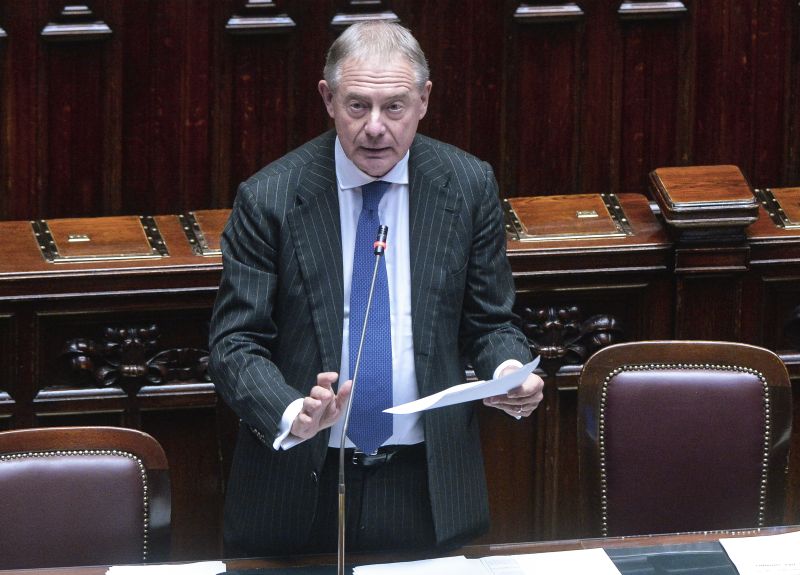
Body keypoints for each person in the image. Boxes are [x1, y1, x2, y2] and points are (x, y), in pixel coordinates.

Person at [209, 20, 544, 557]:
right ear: (328, 99)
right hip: (299, 483)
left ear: (423, 100)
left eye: (394, 107)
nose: (375, 128)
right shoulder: (270, 197)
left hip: (426, 485)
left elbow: (490, 322)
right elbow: (235, 343)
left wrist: (508, 372)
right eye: (358, 106)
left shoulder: (467, 184)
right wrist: (293, 412)